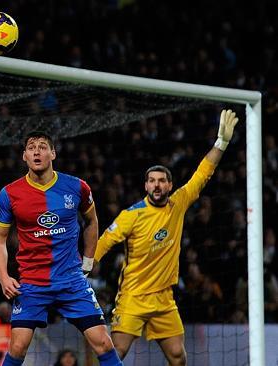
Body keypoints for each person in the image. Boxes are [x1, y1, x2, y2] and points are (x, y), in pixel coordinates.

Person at [94, 109, 239, 366]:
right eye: (152, 181)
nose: (157, 185)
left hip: (164, 298)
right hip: (133, 296)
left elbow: (202, 174)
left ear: (170, 186)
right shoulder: (132, 214)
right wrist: (87, 264)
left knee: (177, 356)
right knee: (116, 352)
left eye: (162, 181)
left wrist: (222, 142)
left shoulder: (178, 204)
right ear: (146, 186)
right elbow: (105, 240)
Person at [0, 131, 122, 366]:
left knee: (103, 342)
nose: (37, 151)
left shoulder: (77, 187)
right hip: (32, 282)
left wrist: (88, 261)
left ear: (53, 153)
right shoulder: (10, 193)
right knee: (18, 347)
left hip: (71, 280)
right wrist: (3, 276)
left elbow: (92, 222)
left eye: (43, 147)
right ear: (24, 156)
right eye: (31, 147)